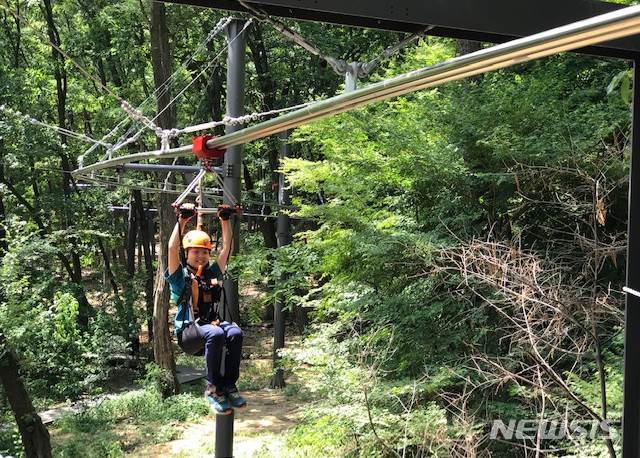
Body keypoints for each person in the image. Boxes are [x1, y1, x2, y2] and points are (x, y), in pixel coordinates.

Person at [164, 203, 246, 414]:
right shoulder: (179, 277)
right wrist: (182, 220)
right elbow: (172, 249)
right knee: (217, 333)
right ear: (187, 253)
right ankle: (212, 388)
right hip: (189, 333)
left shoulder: (212, 273)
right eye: (195, 252)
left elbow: (226, 248)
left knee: (235, 333)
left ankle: (228, 384)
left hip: (210, 328)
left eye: (204, 252)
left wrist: (225, 221)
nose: (200, 256)